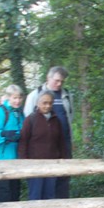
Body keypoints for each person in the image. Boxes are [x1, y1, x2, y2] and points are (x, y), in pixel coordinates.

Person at [24, 66, 74, 198]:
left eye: (62, 81)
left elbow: (70, 116)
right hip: (39, 150)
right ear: (48, 78)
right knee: (39, 185)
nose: (59, 84)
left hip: (63, 143)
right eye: (57, 80)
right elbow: (28, 122)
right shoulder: (34, 95)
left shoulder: (66, 95)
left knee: (62, 179)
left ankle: (62, 206)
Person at [18, 90, 69, 200]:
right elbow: (23, 142)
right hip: (34, 165)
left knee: (50, 195)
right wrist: (24, 161)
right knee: (35, 195)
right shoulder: (30, 120)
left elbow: (61, 143)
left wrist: (64, 160)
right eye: (44, 103)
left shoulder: (56, 121)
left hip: (52, 164)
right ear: (38, 103)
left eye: (50, 103)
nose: (47, 106)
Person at [0, 84, 24, 203]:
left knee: (14, 192)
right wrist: (4, 135)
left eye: (20, 98)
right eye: (14, 98)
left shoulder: (19, 114)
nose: (17, 101)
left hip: (14, 159)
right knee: (1, 194)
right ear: (8, 97)